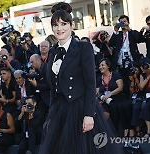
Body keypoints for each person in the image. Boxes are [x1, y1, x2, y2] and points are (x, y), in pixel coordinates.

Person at [39, 2, 124, 154]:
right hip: (59, 111)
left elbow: (91, 84)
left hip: (80, 108)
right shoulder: (52, 53)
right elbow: (53, 87)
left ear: (71, 25)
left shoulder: (83, 48)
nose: (59, 28)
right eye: (55, 25)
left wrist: (88, 115)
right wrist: (51, 114)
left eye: (63, 24)